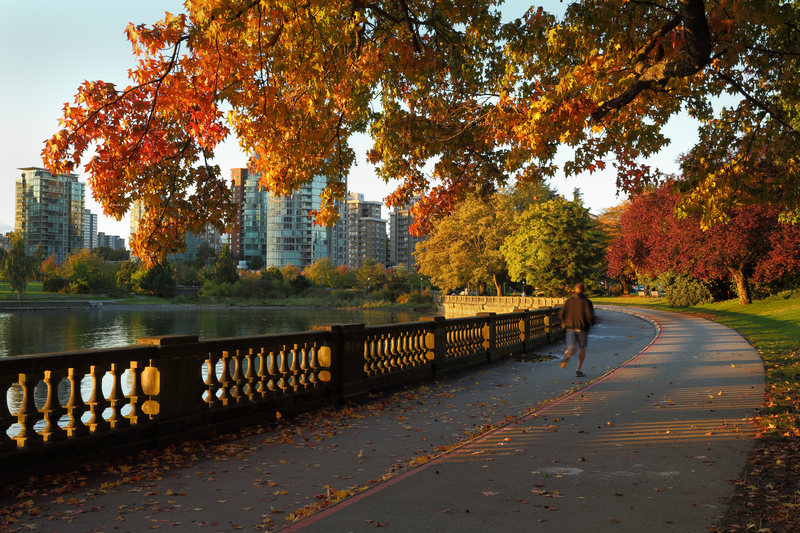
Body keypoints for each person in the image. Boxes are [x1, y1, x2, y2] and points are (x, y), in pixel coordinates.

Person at [558, 282, 595, 378]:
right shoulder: (587, 302)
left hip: (570, 327)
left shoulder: (569, 301)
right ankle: (578, 370)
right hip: (582, 328)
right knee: (581, 348)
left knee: (571, 347)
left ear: (575, 290)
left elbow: (561, 314)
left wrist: (566, 321)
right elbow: (590, 316)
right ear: (583, 290)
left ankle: (567, 354)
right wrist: (592, 323)